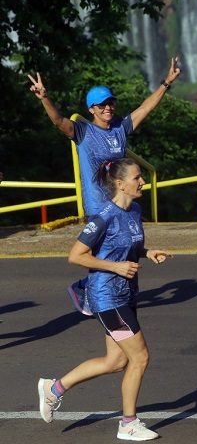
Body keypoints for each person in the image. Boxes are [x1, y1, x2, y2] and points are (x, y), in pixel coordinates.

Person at [27, 58, 181, 316]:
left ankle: (90, 289)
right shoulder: (83, 132)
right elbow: (59, 121)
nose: (108, 108)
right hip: (98, 205)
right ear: (92, 109)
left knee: (118, 248)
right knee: (100, 253)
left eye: (111, 103)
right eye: (102, 105)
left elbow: (145, 109)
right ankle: (90, 293)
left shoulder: (120, 128)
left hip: (119, 203)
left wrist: (167, 82)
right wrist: (44, 98)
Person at [37, 158, 172, 440]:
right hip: (107, 298)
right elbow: (75, 256)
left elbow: (125, 245)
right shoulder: (103, 217)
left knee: (115, 362)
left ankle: (54, 389)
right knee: (140, 358)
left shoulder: (134, 210)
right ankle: (128, 424)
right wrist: (116, 267)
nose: (143, 182)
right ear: (121, 184)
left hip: (126, 293)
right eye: (137, 178)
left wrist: (147, 253)